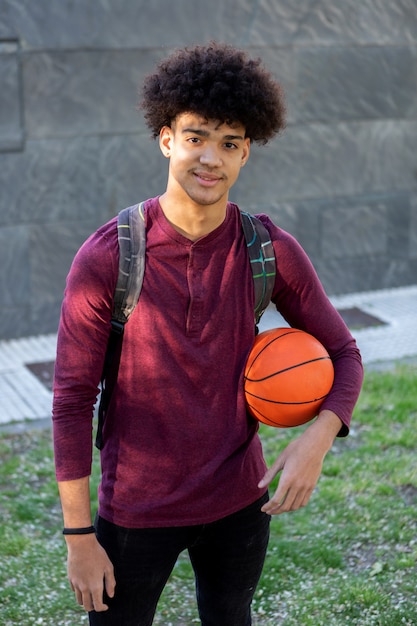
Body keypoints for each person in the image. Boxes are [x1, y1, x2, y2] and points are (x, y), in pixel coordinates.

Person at [52, 42, 363, 626]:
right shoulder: (109, 257)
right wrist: (78, 536)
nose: (210, 159)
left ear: (246, 153)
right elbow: (70, 401)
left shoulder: (268, 250)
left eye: (229, 143)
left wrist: (318, 439)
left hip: (240, 501)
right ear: (166, 138)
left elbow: (344, 353)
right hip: (136, 509)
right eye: (196, 137)